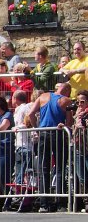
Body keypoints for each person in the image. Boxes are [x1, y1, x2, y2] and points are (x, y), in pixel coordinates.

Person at [26, 82, 73, 212]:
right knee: (59, 168)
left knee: (44, 167)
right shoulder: (66, 100)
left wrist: (37, 128)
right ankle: (60, 203)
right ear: (67, 91)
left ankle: (43, 203)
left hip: (43, 133)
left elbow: (30, 114)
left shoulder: (43, 96)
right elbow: (69, 122)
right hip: (58, 133)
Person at [72, 90, 88, 212]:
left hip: (87, 147)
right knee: (81, 176)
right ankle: (86, 202)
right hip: (78, 147)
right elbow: (73, 133)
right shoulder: (77, 114)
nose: (79, 105)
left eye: (82, 102)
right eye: (78, 102)